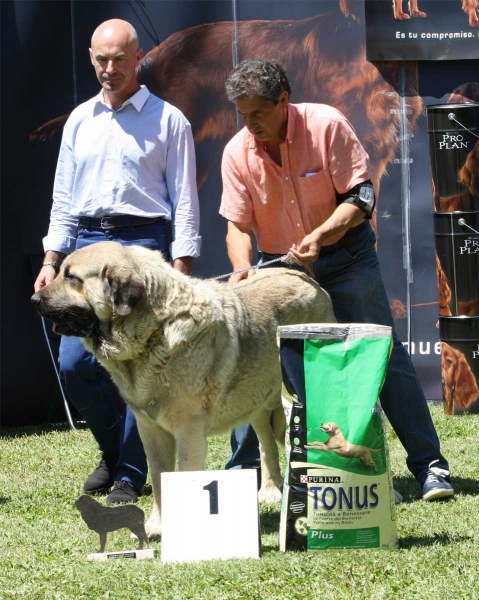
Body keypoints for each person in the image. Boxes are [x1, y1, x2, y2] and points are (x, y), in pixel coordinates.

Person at [219, 59, 453, 501]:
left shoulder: (326, 125)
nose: (249, 124)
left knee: (381, 357)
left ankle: (430, 468)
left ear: (283, 100)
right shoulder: (237, 152)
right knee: (260, 368)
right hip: (279, 270)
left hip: (346, 257)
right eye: (241, 114)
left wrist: (322, 234)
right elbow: (236, 224)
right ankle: (244, 476)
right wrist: (241, 268)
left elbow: (361, 198)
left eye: (258, 114)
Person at [33, 19, 201, 504]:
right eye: (102, 59)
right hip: (84, 249)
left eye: (119, 60)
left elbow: (185, 199)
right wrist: (52, 258)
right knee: (75, 366)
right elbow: (63, 198)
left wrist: (182, 264)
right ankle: (112, 452)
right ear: (91, 57)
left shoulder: (169, 120)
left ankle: (130, 472)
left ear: (138, 57)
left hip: (143, 249)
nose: (110, 69)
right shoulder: (79, 120)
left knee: (139, 364)